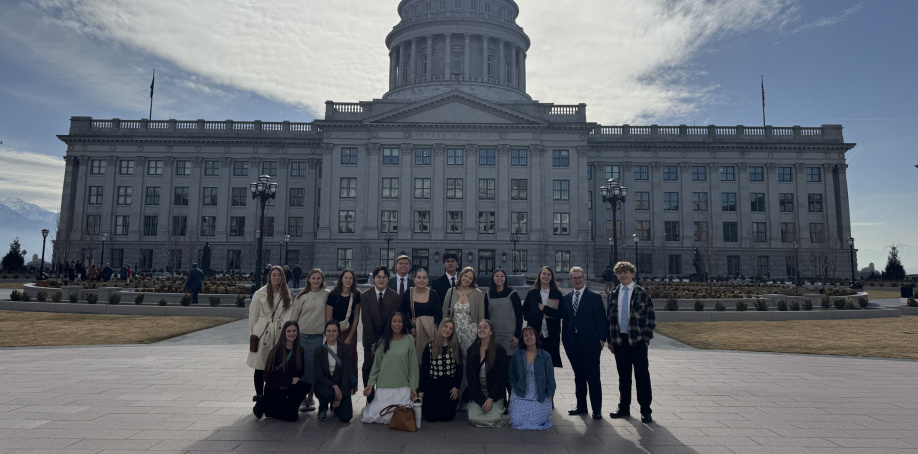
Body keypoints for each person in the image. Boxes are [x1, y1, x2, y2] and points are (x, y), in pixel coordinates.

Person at [544, 266, 607, 419]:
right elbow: (564, 321)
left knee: (593, 376)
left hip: (591, 343)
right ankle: (581, 406)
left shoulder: (594, 297)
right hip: (572, 343)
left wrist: (602, 340)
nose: (577, 280)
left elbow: (602, 321)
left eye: (580, 277)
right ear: (571, 280)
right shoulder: (566, 299)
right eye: (574, 278)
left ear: (584, 278)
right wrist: (565, 340)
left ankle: (597, 410)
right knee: (578, 376)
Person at [607, 261, 657, 424]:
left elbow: (650, 317)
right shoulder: (613, 294)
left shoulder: (641, 293)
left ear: (632, 274)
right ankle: (624, 407)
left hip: (637, 341)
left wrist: (646, 339)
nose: (623, 275)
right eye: (619, 273)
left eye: (626, 272)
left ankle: (645, 410)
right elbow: (610, 319)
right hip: (620, 341)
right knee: (624, 377)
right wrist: (611, 340)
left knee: (642, 376)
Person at [361, 312, 419, 424]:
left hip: (403, 387)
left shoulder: (409, 340)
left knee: (405, 416)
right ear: (390, 323)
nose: (397, 324)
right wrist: (370, 385)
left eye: (400, 321)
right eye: (394, 321)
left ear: (403, 323)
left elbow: (413, 366)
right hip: (384, 387)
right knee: (377, 416)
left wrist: (413, 388)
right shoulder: (382, 342)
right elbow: (376, 366)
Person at [246, 265, 294, 398]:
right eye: (274, 275)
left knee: (276, 367)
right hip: (263, 332)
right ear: (269, 276)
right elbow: (253, 316)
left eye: (279, 275)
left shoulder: (286, 293)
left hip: (278, 332)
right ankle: (259, 397)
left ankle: (271, 396)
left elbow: (287, 313)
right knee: (260, 366)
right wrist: (255, 333)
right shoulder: (260, 294)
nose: (276, 277)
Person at [442, 266, 486, 404]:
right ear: (460, 276)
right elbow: (445, 314)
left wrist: (480, 336)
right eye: (465, 276)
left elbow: (481, 317)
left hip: (471, 334)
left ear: (473, 280)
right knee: (454, 363)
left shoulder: (477, 293)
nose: (467, 279)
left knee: (470, 366)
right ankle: (454, 397)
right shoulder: (451, 291)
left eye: (470, 278)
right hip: (454, 333)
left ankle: (468, 397)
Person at [290, 268, 329, 412]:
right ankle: (301, 398)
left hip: (317, 337)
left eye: (318, 278)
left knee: (313, 369)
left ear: (322, 280)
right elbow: (293, 318)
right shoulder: (302, 296)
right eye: (313, 278)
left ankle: (311, 398)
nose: (316, 281)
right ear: (309, 280)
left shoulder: (326, 295)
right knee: (301, 368)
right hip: (301, 337)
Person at [253, 321, 309, 421]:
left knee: (305, 386)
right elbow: (267, 377)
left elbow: (300, 371)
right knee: (291, 417)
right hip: (274, 388)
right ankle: (264, 402)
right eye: (289, 331)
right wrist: (288, 380)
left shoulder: (300, 350)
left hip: (288, 387)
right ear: (284, 333)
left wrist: (290, 382)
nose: (292, 333)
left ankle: (289, 409)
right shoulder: (275, 351)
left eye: (294, 331)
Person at [359, 266, 400, 401]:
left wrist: (382, 342)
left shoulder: (394, 296)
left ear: (388, 279)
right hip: (369, 339)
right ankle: (369, 398)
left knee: (386, 368)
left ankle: (384, 398)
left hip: (387, 338)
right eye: (378, 277)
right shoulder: (365, 296)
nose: (381, 280)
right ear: (374, 279)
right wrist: (372, 343)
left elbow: (391, 321)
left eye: (384, 277)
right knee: (368, 368)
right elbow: (366, 321)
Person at [508, 326, 555, 430]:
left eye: (531, 334)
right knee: (516, 420)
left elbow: (550, 379)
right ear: (522, 339)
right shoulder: (517, 354)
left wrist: (549, 399)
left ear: (536, 337)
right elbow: (511, 375)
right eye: (525, 335)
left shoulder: (546, 356)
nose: (528, 337)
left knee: (536, 418)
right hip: (520, 394)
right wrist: (513, 390)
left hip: (539, 395)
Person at [465, 319, 508, 427]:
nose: (481, 329)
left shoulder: (500, 351)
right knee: (473, 418)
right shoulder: (471, 350)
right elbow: (471, 379)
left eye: (485, 327)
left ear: (491, 332)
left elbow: (501, 378)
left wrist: (490, 398)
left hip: (494, 392)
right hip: (478, 391)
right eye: (479, 327)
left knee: (494, 417)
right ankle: (493, 418)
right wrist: (481, 401)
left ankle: (498, 416)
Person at [418, 318, 462, 422]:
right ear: (441, 327)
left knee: (447, 417)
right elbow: (424, 369)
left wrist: (456, 386)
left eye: (451, 329)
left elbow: (460, 368)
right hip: (433, 385)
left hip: (449, 387)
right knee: (430, 417)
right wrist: (421, 390)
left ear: (453, 332)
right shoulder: (429, 346)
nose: (447, 330)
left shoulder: (455, 347)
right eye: (445, 326)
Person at [313, 319, 355, 422]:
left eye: (334, 331)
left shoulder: (345, 348)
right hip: (325, 386)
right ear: (325, 333)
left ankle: (335, 405)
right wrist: (334, 386)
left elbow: (346, 373)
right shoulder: (319, 351)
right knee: (326, 394)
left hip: (341, 385)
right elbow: (319, 375)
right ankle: (323, 407)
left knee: (346, 417)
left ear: (338, 333)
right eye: (328, 331)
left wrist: (340, 394)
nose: (331, 334)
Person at [399, 267, 443, 363]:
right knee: (412, 362)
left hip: (429, 334)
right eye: (419, 277)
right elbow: (402, 312)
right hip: (412, 334)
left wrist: (421, 321)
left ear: (428, 280)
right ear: (414, 280)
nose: (421, 280)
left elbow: (439, 316)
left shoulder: (434, 294)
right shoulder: (408, 293)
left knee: (428, 362)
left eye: (424, 278)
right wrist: (410, 327)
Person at [522, 266, 563, 368]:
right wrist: (532, 317)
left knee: (549, 364)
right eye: (544, 274)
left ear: (551, 278)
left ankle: (547, 384)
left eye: (549, 275)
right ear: (539, 276)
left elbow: (561, 313)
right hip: (535, 333)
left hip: (551, 334)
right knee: (534, 362)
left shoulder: (557, 294)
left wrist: (545, 309)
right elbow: (524, 310)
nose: (546, 276)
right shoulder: (532, 293)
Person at [325, 268, 361, 383]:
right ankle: (335, 386)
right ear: (341, 279)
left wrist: (350, 337)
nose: (348, 280)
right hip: (335, 333)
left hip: (350, 332)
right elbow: (328, 318)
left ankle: (349, 388)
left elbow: (356, 318)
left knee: (350, 359)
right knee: (334, 360)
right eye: (346, 277)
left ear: (353, 280)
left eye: (351, 278)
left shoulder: (356, 294)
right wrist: (332, 335)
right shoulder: (333, 295)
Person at [484, 269, 523, 360]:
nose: (499, 278)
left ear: (505, 278)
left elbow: (519, 316)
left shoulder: (512, 293)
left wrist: (517, 336)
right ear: (493, 278)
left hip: (510, 338)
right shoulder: (488, 295)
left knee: (510, 367)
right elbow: (486, 317)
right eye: (497, 276)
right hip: (494, 337)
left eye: (502, 276)